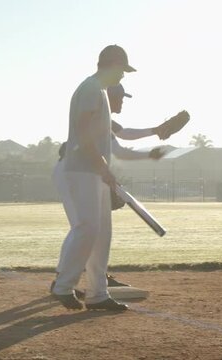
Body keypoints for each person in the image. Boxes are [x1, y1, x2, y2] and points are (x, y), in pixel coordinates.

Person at [51, 83, 165, 299]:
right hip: (75, 170)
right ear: (109, 98)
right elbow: (121, 149)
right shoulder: (99, 118)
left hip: (82, 171)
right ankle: (63, 280)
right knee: (83, 226)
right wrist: (151, 150)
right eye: (120, 97)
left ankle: (92, 278)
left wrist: (154, 132)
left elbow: (124, 135)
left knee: (86, 227)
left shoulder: (105, 120)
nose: (122, 102)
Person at [50, 44, 136, 311]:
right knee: (87, 227)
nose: (123, 76)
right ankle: (63, 286)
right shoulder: (90, 88)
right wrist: (101, 165)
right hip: (82, 168)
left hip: (94, 171)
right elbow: (83, 130)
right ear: (110, 65)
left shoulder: (98, 90)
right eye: (122, 70)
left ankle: (98, 293)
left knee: (101, 233)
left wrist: (104, 170)